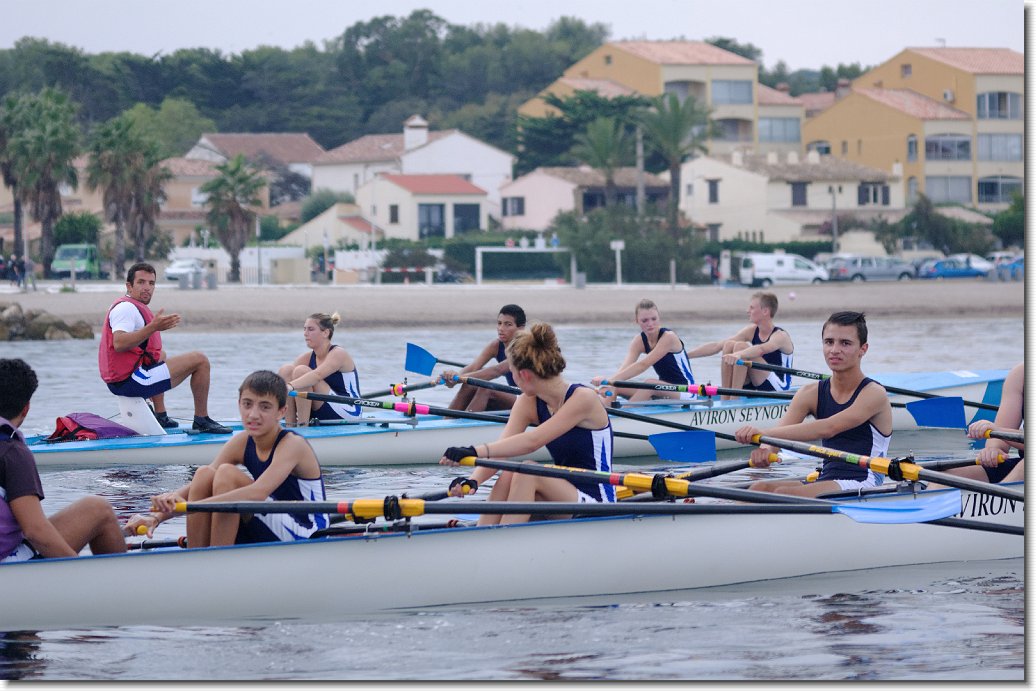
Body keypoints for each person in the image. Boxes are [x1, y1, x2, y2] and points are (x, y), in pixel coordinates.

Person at [126, 370, 329, 547]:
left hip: (307, 529)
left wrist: (189, 507)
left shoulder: (292, 444)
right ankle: (197, 555)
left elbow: (257, 493)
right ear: (239, 403)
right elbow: (196, 487)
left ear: (281, 412)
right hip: (271, 520)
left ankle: (217, 559)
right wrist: (157, 516)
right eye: (247, 404)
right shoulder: (241, 442)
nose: (253, 414)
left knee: (227, 475)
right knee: (205, 473)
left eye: (265, 407)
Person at [440, 322, 615, 525]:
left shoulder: (583, 398)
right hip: (562, 495)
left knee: (528, 471)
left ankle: (505, 539)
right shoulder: (528, 401)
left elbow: (533, 440)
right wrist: (473, 480)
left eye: (512, 372)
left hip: (597, 500)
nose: (512, 378)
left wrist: (472, 451)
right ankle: (484, 531)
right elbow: (502, 451)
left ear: (523, 374)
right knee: (509, 472)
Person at [733, 311, 892, 497]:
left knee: (783, 493)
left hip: (865, 481)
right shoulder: (809, 393)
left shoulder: (874, 393)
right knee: (759, 488)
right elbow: (780, 437)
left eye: (845, 343)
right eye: (829, 342)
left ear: (863, 349)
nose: (834, 350)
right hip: (827, 478)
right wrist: (765, 449)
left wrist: (763, 433)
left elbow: (828, 428)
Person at [0, 358, 129, 563]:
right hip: (8, 563)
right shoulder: (12, 451)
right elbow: (35, 531)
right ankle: (121, 588)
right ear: (26, 408)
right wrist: (76, 569)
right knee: (98, 509)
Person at [98, 261, 230, 433]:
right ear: (129, 286)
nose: (147, 288)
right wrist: (153, 327)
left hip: (122, 381)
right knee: (200, 360)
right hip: (130, 382)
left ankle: (161, 415)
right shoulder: (126, 309)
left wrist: (152, 328)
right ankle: (202, 420)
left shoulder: (127, 305)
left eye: (151, 283)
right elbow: (119, 343)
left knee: (160, 355)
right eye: (141, 282)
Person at [685, 292, 794, 399]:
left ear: (765, 311)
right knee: (729, 345)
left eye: (752, 308)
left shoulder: (780, 336)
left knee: (740, 347)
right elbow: (717, 346)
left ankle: (733, 400)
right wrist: (685, 356)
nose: (748, 311)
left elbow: (761, 349)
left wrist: (738, 354)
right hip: (758, 383)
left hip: (780, 388)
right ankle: (725, 397)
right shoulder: (751, 331)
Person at [590, 299, 695, 402]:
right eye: (645, 320)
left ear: (659, 318)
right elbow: (624, 368)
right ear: (637, 321)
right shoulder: (638, 341)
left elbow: (643, 365)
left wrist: (609, 382)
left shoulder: (669, 337)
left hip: (685, 391)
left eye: (654, 319)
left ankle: (626, 416)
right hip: (661, 390)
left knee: (650, 384)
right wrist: (609, 384)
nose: (650, 324)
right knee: (617, 385)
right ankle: (603, 414)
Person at [278, 312, 361, 426]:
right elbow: (288, 386)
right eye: (304, 329)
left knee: (301, 372)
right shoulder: (306, 358)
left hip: (349, 410)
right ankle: (290, 425)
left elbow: (317, 375)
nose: (305, 333)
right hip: (322, 407)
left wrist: (289, 386)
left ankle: (303, 428)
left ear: (326, 332)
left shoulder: (338, 353)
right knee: (286, 370)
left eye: (311, 329)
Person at [440, 304, 527, 412]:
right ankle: (448, 420)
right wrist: (453, 376)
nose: (501, 329)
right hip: (515, 396)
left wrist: (459, 379)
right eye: (499, 323)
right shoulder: (496, 346)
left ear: (521, 328)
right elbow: (473, 367)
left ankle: (465, 423)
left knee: (485, 388)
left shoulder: (524, 348)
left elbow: (496, 371)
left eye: (508, 324)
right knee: (470, 384)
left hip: (530, 398)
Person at [952, 362, 1023, 484]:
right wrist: (993, 449)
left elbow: (999, 430)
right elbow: (1000, 433)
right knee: (951, 474)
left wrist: (998, 431)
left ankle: (998, 499)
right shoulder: (1020, 375)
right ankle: (927, 501)